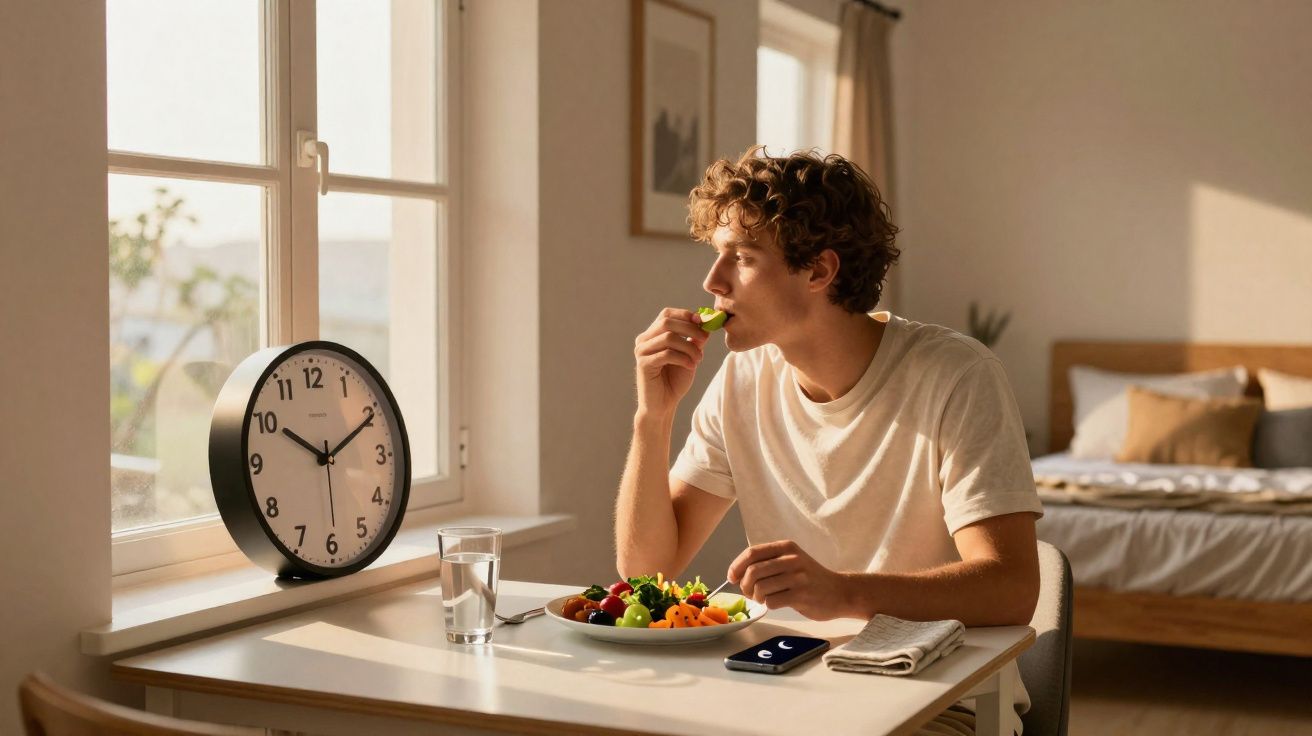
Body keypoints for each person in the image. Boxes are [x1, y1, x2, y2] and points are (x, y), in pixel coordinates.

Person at [613, 147, 1043, 735]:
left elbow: (1012, 587)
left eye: (740, 258)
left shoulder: (957, 376)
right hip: (786, 691)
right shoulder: (742, 379)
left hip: (944, 703)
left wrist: (842, 592)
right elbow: (647, 570)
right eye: (717, 256)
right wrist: (652, 416)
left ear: (818, 271)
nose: (712, 281)